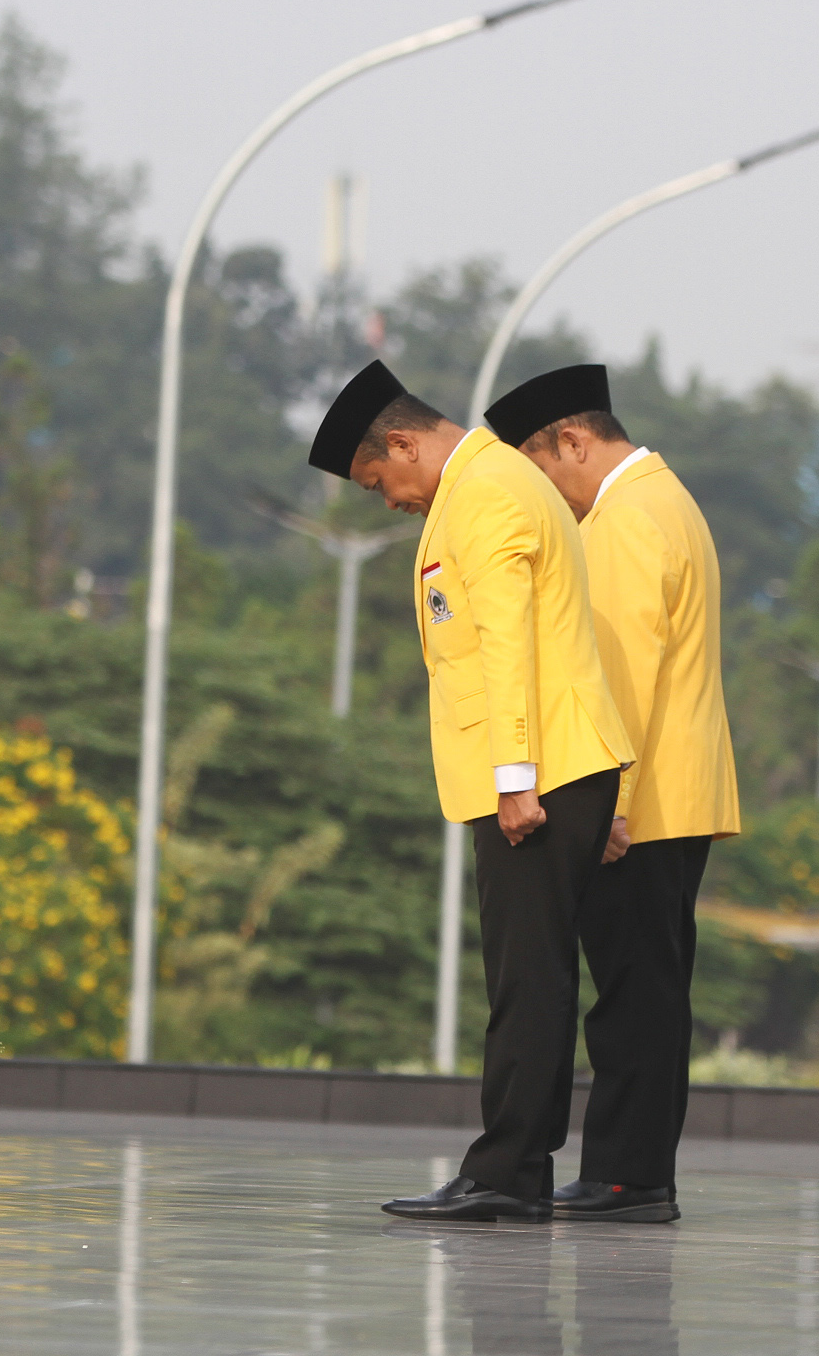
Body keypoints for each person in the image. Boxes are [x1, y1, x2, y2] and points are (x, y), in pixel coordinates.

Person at [306, 360, 635, 1222]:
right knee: (533, 975)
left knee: (527, 979)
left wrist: (515, 779)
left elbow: (507, 644)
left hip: (543, 771)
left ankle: (507, 1173)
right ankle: (515, 1168)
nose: (388, 501)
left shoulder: (486, 492)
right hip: (557, 764)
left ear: (404, 443)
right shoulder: (484, 484)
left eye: (379, 480)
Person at [486, 363, 740, 1224]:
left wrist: (609, 803)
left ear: (573, 441)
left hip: (642, 800)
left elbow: (621, 673)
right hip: (676, 790)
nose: (545, 495)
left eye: (540, 469)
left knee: (632, 996)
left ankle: (628, 1176)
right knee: (651, 989)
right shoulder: (667, 500)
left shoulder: (625, 519)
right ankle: (636, 1173)